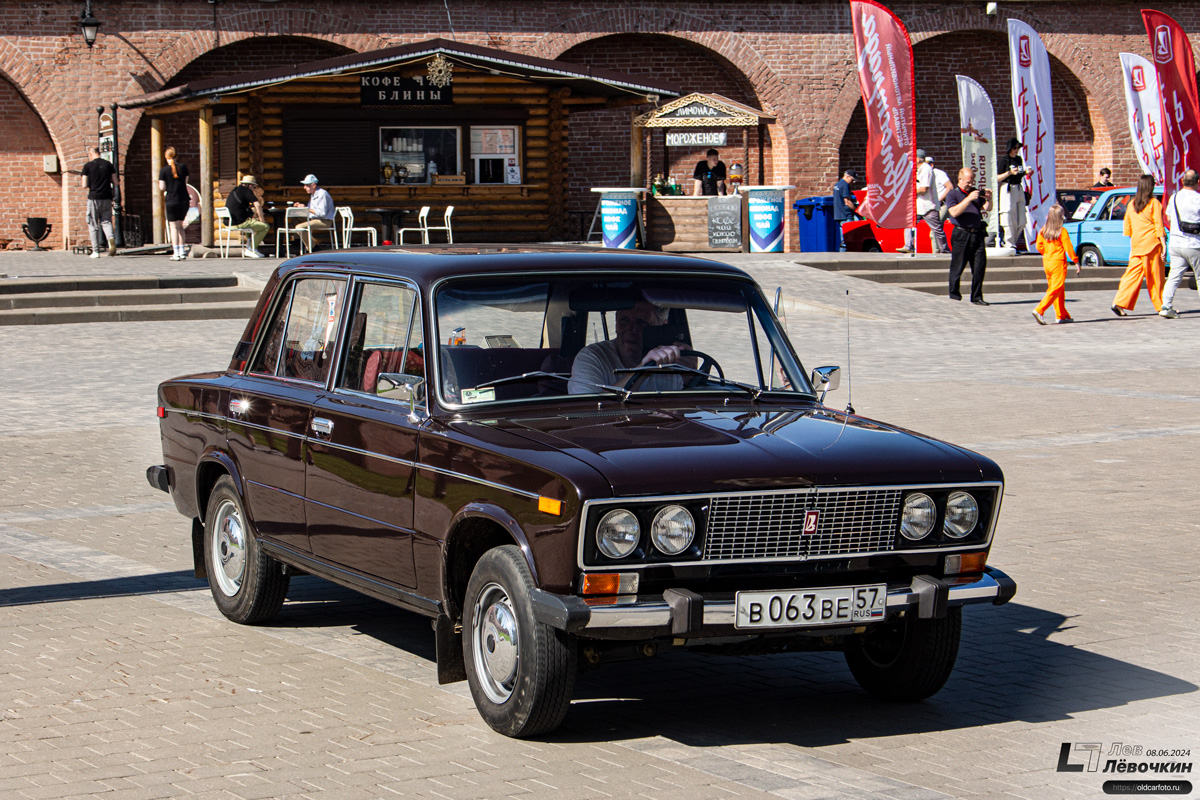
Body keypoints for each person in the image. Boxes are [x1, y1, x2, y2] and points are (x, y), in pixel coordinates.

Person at [569, 299, 692, 394]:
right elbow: (588, 411)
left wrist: (691, 377)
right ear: (616, 323)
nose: (631, 329)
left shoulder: (671, 360)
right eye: (624, 320)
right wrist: (642, 370)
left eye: (641, 322)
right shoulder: (592, 357)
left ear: (661, 325)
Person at [1112, 173, 1165, 316]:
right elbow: (1159, 226)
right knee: (1156, 277)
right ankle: (1161, 306)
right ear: (1151, 187)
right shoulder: (1154, 203)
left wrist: (1132, 243)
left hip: (1136, 245)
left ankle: (1119, 302)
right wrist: (1164, 245)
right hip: (1152, 244)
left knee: (1131, 276)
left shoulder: (1132, 204)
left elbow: (1127, 226)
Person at [945, 167, 992, 305]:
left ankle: (977, 296)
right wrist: (968, 199)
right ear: (960, 179)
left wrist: (989, 199)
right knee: (957, 266)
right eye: (968, 182)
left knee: (979, 266)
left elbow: (987, 208)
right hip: (961, 233)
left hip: (977, 234)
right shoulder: (953, 194)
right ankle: (954, 295)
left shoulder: (974, 192)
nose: (971, 185)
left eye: (972, 182)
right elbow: (953, 212)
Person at [1160, 168, 1200, 318]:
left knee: (1174, 277)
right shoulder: (1198, 199)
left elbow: (1169, 219)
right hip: (1194, 244)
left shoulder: (1174, 198)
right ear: (1197, 182)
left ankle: (1166, 306)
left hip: (1176, 243)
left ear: (1182, 181)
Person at [1032, 204, 1079, 324]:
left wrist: (1047, 253)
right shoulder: (1062, 231)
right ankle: (1040, 309)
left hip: (1047, 261)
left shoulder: (1044, 230)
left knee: (1057, 288)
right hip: (1058, 261)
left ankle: (1061, 314)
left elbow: (1039, 246)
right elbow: (1068, 247)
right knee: (1056, 288)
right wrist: (1075, 261)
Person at [80, 146, 117, 258]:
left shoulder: (88, 166)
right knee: (106, 221)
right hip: (107, 197)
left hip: (94, 197)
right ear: (99, 153)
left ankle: (95, 251)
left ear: (90, 154)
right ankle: (111, 238)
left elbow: (84, 185)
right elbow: (116, 182)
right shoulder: (108, 165)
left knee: (93, 223)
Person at [910, 150, 948, 254]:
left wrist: (912, 192)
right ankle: (908, 245)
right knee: (909, 223)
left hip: (928, 205)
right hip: (920, 205)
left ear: (918, 159)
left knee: (937, 230)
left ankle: (944, 250)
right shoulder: (919, 170)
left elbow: (924, 189)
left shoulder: (926, 170)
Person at [225, 175, 269, 258]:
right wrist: (262, 220)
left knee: (249, 222)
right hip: (239, 223)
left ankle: (249, 244)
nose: (254, 189)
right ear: (250, 185)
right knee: (265, 227)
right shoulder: (247, 191)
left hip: (228, 223)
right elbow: (258, 205)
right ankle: (251, 248)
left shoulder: (235, 190)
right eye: (254, 187)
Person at [159, 146, 190, 261]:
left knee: (173, 227)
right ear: (177, 156)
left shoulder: (163, 170)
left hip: (171, 200)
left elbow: (162, 187)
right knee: (181, 226)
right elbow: (186, 182)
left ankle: (175, 252)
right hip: (183, 199)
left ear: (166, 157)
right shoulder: (183, 167)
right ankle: (182, 251)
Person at [997, 138, 1028, 250]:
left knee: (1022, 219)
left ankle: (1013, 241)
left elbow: (1019, 174)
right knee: (1008, 215)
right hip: (1008, 188)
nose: (1016, 150)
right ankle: (1009, 243)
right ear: (1010, 148)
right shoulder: (1004, 160)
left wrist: (1025, 173)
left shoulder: (1019, 159)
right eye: (1015, 148)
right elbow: (997, 177)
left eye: (1018, 148)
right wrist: (1009, 172)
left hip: (1018, 187)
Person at [293, 173, 335, 253]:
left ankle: (313, 248)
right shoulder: (313, 194)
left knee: (299, 227)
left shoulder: (322, 194)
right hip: (314, 218)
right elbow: (311, 211)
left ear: (313, 185)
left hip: (324, 221)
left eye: (307, 185)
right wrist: (302, 207)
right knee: (295, 218)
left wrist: (307, 208)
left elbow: (322, 213)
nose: (304, 187)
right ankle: (301, 243)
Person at [832, 168, 859, 251]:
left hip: (838, 214)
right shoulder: (845, 185)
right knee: (848, 239)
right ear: (847, 176)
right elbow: (847, 202)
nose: (853, 182)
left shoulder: (837, 185)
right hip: (846, 215)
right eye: (852, 179)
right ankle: (846, 256)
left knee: (843, 238)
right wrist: (858, 211)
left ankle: (843, 255)